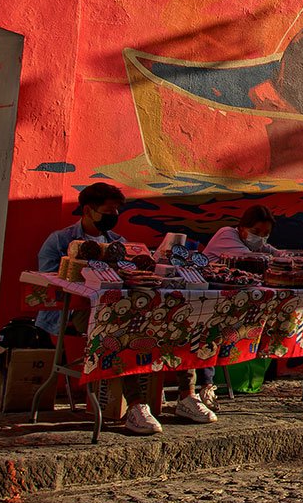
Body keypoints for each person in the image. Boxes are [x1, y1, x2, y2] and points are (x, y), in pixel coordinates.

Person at [35, 183, 215, 436]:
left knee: (177, 322)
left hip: (121, 308)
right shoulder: (61, 241)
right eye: (108, 211)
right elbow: (51, 281)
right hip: (77, 310)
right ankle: (135, 405)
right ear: (88, 210)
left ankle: (187, 395)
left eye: (116, 211)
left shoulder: (119, 243)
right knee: (121, 331)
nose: (114, 215)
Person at [204, 205, 280, 257]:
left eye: (266, 234)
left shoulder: (256, 245)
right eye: (255, 232)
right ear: (242, 228)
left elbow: (279, 253)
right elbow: (251, 259)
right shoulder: (226, 234)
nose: (260, 238)